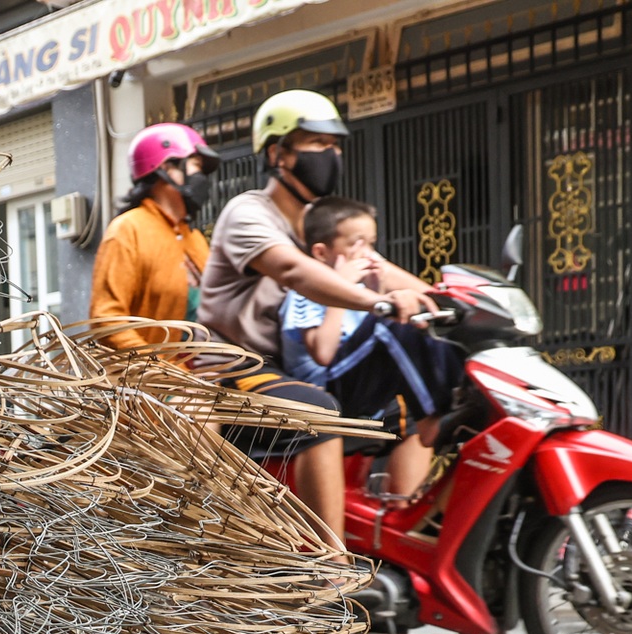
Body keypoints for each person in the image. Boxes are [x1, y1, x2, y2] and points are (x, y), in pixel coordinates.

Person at [199, 89, 431, 537]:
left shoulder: (318, 222)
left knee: (416, 403)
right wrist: (371, 301)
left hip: (296, 370)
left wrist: (448, 297)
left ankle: (398, 543)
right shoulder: (248, 213)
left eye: (334, 145)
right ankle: (333, 572)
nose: (332, 154)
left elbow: (376, 268)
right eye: (317, 144)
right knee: (318, 412)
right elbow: (292, 270)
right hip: (238, 370)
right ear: (278, 154)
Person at [278, 196, 466, 498]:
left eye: (371, 243)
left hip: (358, 381)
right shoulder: (304, 292)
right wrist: (341, 290)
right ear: (322, 253)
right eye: (356, 244)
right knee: (391, 323)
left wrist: (376, 289)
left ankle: (451, 404)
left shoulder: (366, 289)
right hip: (325, 392)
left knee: (419, 322)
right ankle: (434, 416)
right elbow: (323, 353)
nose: (367, 253)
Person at [89, 123, 217, 350]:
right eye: (196, 166)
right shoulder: (127, 230)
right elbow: (107, 320)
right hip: (147, 381)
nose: (202, 179)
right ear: (167, 168)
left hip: (206, 376)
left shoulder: (195, 238)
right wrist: (160, 372)